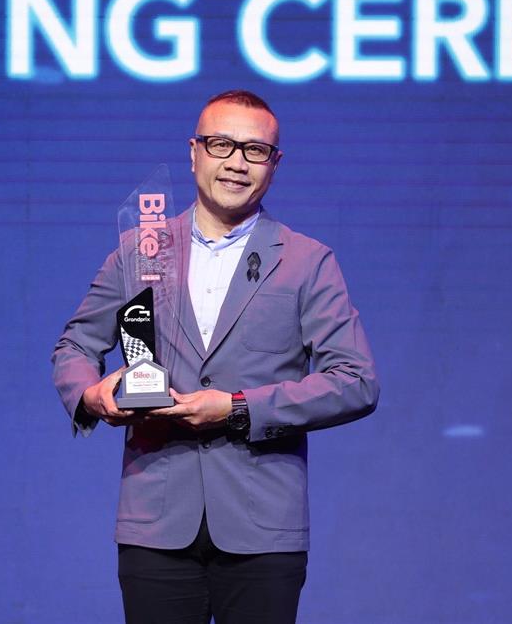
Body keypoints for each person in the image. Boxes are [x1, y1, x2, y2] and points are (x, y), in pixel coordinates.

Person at [52, 89, 379, 624]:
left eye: (255, 150)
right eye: (221, 144)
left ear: (274, 164)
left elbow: (355, 381)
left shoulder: (306, 261)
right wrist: (91, 395)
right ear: (194, 152)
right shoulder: (140, 250)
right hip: (155, 520)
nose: (236, 163)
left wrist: (237, 408)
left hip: (262, 526)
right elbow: (76, 345)